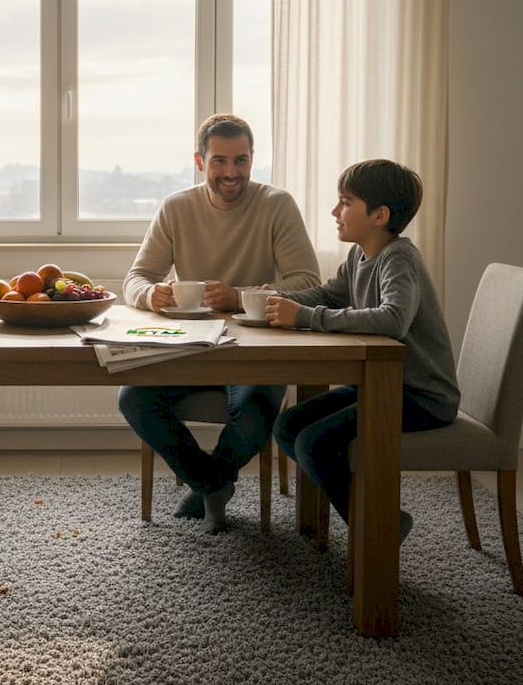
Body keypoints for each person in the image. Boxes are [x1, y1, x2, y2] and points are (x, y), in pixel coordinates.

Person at [119, 113, 321, 533]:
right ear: (199, 161)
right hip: (188, 345)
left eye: (241, 161)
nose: (232, 173)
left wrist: (239, 296)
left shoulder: (276, 205)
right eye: (220, 161)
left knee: (255, 411)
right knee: (132, 398)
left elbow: (309, 283)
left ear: (252, 160)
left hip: (254, 348)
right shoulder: (176, 207)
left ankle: (207, 483)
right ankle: (212, 482)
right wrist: (149, 295)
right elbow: (135, 278)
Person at [267, 159, 460, 544]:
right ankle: (376, 517)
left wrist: (304, 316)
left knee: (312, 442)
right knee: (288, 427)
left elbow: (392, 320)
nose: (334, 212)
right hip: (381, 386)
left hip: (421, 396)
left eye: (345, 202)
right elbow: (326, 295)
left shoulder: (399, 259)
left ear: (379, 215)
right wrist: (272, 299)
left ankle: (377, 527)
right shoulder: (358, 256)